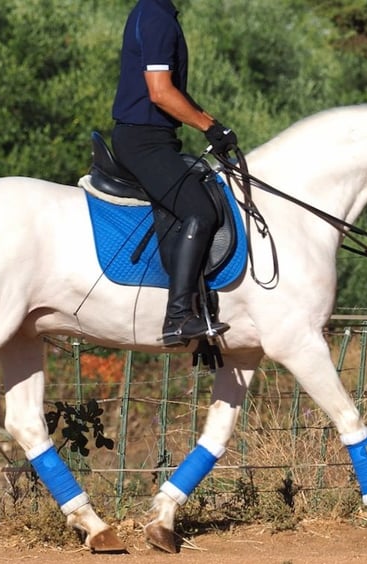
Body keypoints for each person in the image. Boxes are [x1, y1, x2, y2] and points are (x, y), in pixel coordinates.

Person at [111, 0, 238, 347]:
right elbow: (160, 91)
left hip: (155, 139)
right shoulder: (156, 16)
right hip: (142, 142)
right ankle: (179, 316)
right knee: (199, 209)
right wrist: (208, 126)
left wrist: (214, 125)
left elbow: (175, 93)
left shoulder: (157, 12)